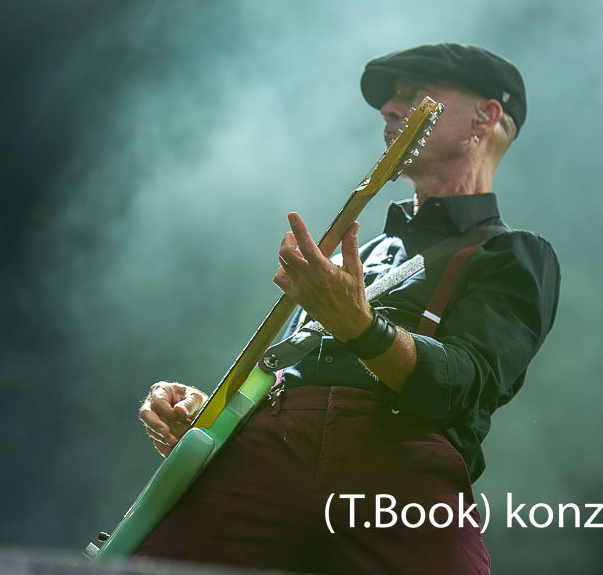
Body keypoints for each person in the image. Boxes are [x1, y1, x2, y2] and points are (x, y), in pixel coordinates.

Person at [135, 43, 560, 574]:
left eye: (415, 93)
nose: (389, 108)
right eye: (390, 100)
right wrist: (213, 418)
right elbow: (282, 373)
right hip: (263, 457)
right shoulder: (345, 255)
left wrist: (360, 327)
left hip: (398, 478)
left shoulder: (511, 254)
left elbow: (463, 385)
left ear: (485, 115)